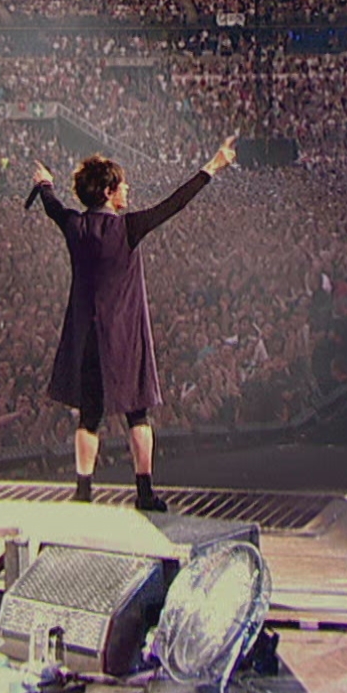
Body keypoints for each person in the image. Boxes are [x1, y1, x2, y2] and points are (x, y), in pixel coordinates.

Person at [32, 136, 237, 511]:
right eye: (123, 185)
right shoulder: (127, 228)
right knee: (137, 413)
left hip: (87, 338)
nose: (128, 189)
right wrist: (214, 165)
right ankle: (144, 492)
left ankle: (82, 492)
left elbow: (52, 206)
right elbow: (175, 203)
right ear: (110, 192)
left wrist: (45, 182)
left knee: (89, 416)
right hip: (124, 338)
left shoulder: (75, 227)